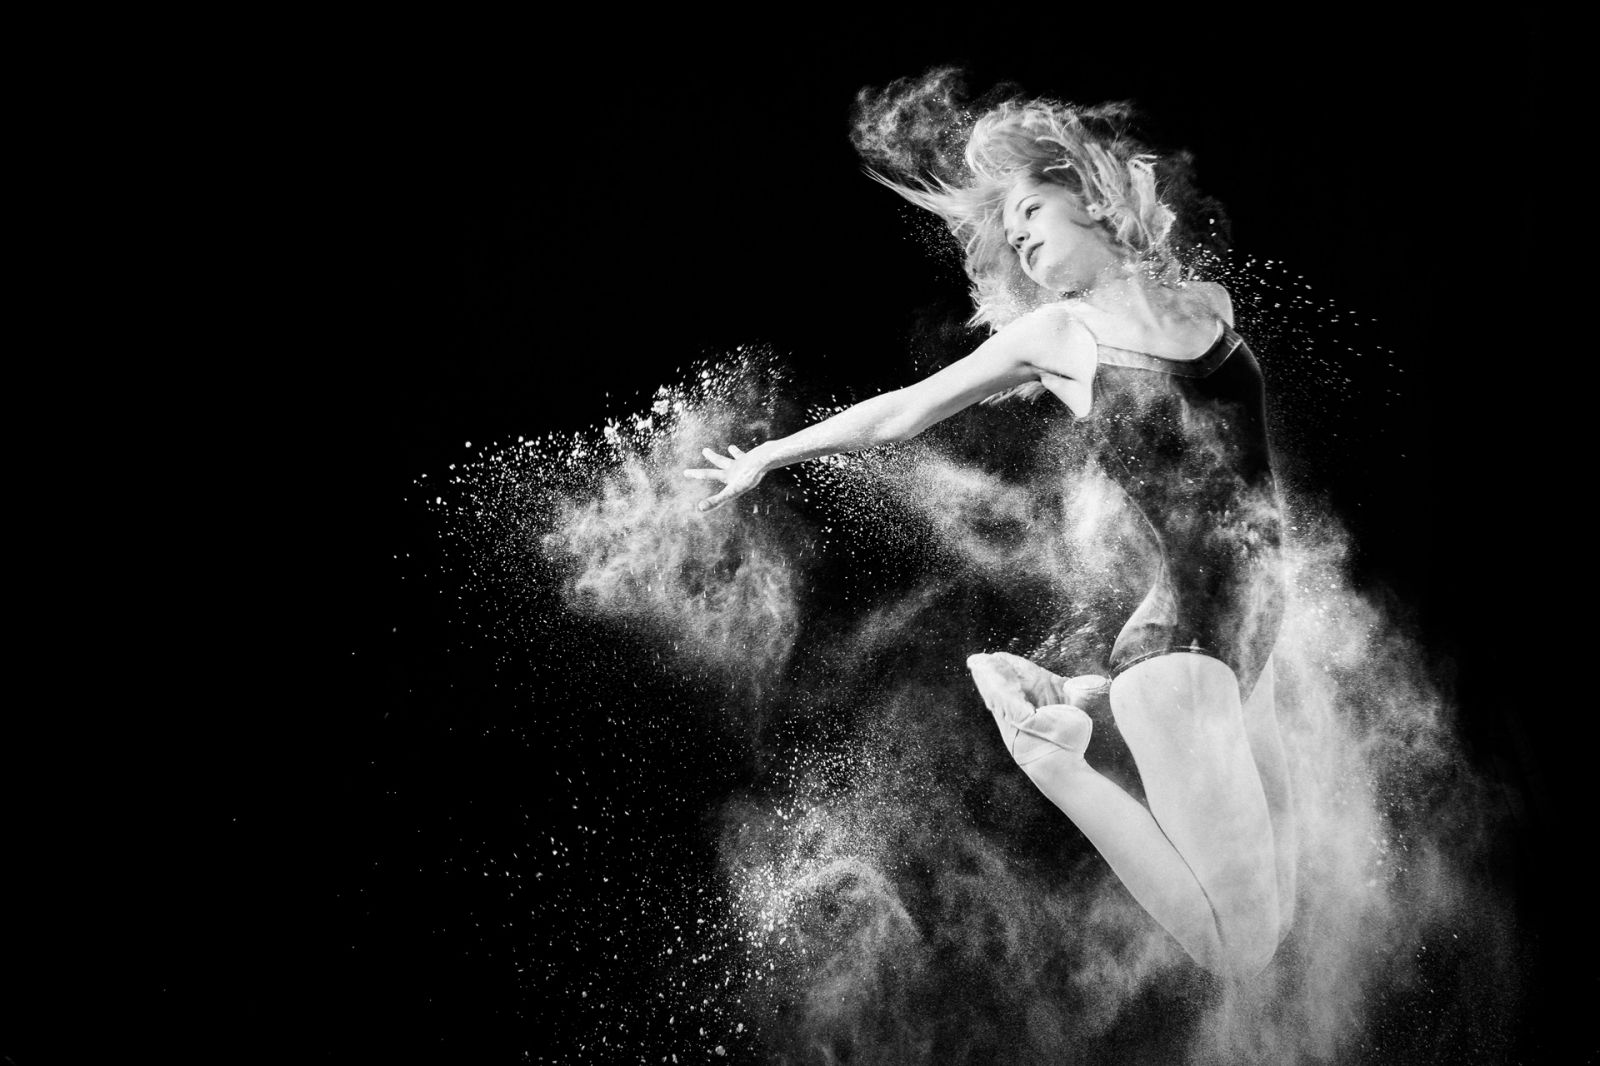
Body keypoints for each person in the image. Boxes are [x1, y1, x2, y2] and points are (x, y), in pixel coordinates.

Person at [684, 95, 1295, 978]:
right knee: (1243, 953)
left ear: (1087, 192)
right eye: (1012, 239)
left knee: (1294, 909)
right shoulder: (1059, 334)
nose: (1023, 245)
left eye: (1030, 215)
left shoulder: (1208, 300)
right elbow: (902, 412)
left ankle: (1081, 697)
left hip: (1254, 640)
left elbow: (1246, 494)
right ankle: (1056, 759)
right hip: (1186, 649)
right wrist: (772, 454)